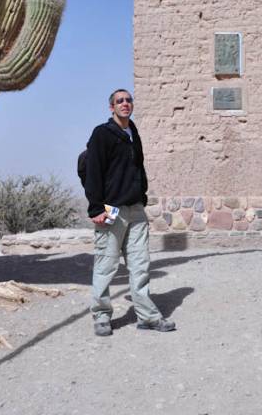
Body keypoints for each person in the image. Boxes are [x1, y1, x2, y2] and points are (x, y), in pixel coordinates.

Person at [85, 88, 175, 337]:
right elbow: (92, 170)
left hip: (135, 209)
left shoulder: (132, 131)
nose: (125, 104)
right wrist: (96, 208)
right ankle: (102, 316)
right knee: (106, 263)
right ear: (111, 107)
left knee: (140, 265)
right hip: (111, 209)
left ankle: (147, 316)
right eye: (119, 101)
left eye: (128, 100)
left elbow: (138, 167)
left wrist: (142, 195)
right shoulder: (102, 134)